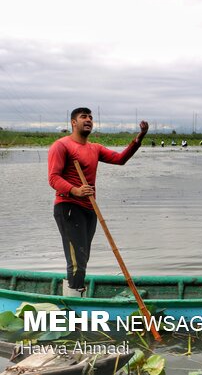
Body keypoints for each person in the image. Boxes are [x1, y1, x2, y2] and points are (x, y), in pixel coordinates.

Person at [48, 108, 149, 296]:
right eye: (83, 117)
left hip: (89, 208)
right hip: (68, 206)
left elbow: (120, 159)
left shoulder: (94, 148)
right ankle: (74, 297)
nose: (88, 120)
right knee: (77, 259)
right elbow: (53, 178)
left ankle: (76, 291)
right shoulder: (62, 145)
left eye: (91, 118)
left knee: (83, 256)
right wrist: (75, 190)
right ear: (73, 123)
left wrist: (140, 137)